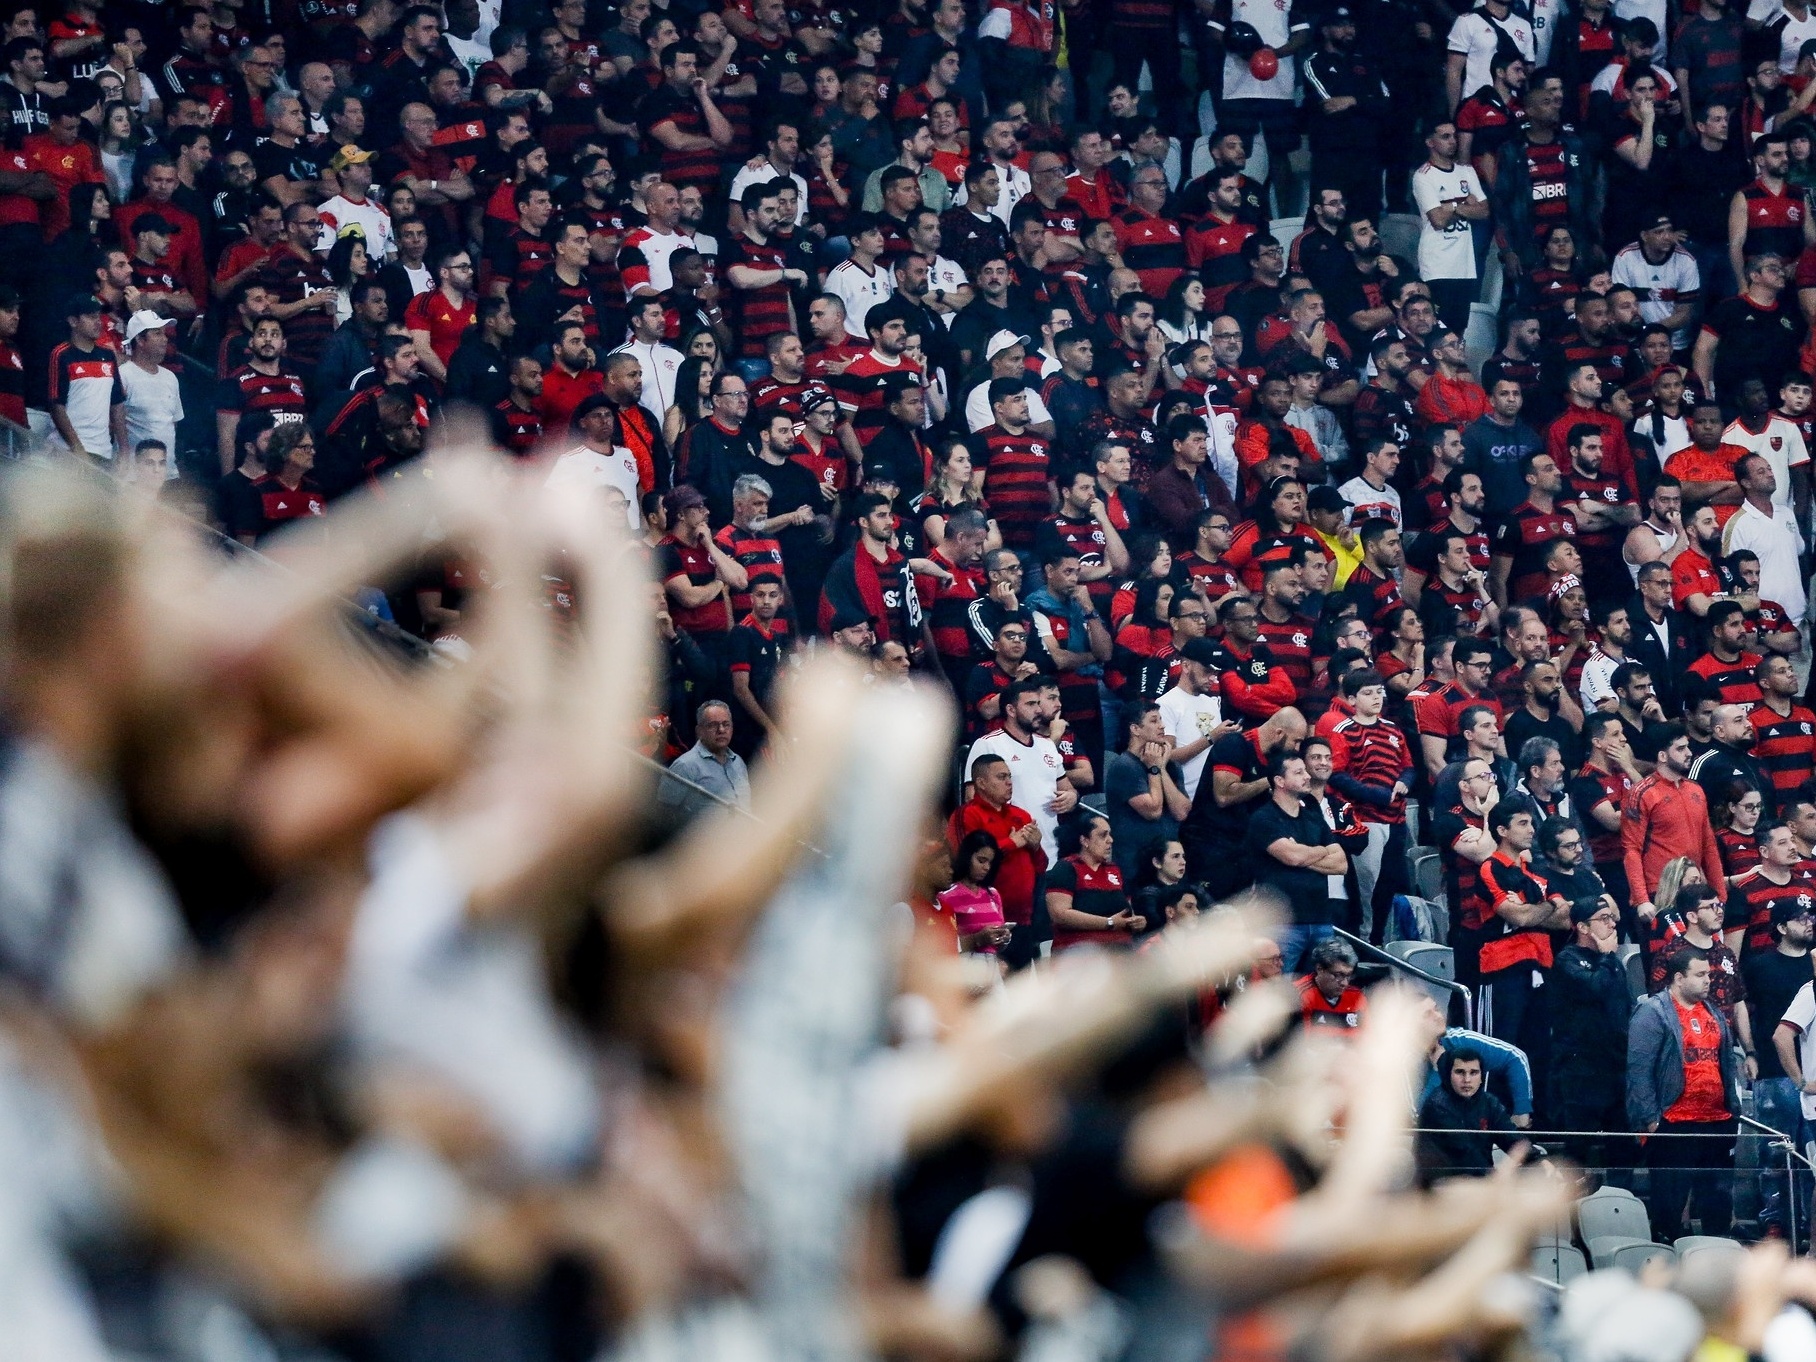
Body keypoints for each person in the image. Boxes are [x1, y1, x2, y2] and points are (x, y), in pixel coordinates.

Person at [1628, 948, 1740, 1241]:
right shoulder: (1653, 1011)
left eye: (1710, 975)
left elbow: (1726, 1063)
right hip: (1675, 1122)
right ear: (1678, 977)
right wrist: (1652, 1121)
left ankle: (1716, 1262)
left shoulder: (1712, 1010)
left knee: (1718, 1202)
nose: (1708, 981)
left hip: (1717, 1122)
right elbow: (1639, 1071)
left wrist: (1734, 1111)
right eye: (1700, 975)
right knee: (1670, 1205)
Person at [1246, 747, 1348, 972]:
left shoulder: (1314, 818)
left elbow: (1341, 864)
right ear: (1280, 781)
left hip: (1321, 918)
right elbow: (1291, 857)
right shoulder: (1263, 819)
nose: (1308, 776)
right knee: (1277, 991)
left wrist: (1306, 853)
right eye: (1299, 772)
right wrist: (1319, 852)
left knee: (1320, 991)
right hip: (1281, 923)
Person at [1416, 1046, 1521, 1184]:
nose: (1467, 1080)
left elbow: (1512, 1138)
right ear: (1448, 1074)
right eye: (1460, 1072)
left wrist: (1540, 1161)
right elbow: (1464, 1153)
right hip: (1440, 1188)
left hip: (1478, 1185)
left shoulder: (1489, 1103)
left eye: (1474, 1072)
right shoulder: (1437, 1105)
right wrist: (1495, 1180)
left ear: (1482, 1076)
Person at [657, 700, 751, 820]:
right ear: (699, 731)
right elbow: (664, 813)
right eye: (713, 725)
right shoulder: (685, 765)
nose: (721, 730)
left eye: (726, 724)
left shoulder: (738, 762)